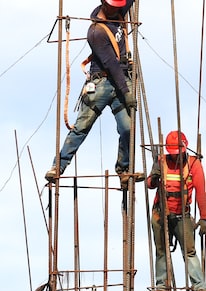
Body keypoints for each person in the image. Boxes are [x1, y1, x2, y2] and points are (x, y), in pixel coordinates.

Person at [45, 0, 138, 183]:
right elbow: (111, 64)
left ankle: (124, 169)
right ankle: (59, 166)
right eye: (113, 6)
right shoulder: (96, 32)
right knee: (82, 127)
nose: (117, 9)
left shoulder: (118, 11)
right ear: (104, 3)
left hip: (121, 81)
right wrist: (126, 92)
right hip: (103, 82)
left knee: (128, 129)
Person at [146, 130, 206, 291]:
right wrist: (154, 176)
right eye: (173, 154)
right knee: (161, 251)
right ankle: (161, 286)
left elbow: (201, 191)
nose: (175, 157)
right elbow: (149, 184)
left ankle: (199, 285)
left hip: (182, 215)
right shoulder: (161, 161)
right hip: (161, 214)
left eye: (178, 153)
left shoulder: (194, 164)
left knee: (189, 251)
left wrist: (204, 218)